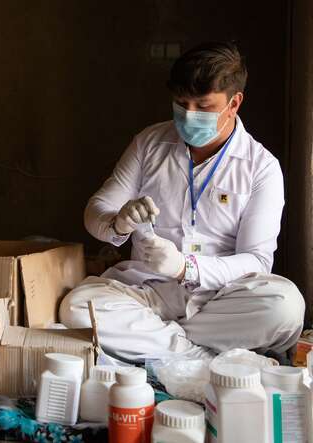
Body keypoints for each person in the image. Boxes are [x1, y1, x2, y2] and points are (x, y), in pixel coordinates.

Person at [59, 41, 305, 362]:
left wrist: (184, 267)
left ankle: (157, 342)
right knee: (77, 307)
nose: (189, 116)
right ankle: (196, 355)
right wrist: (118, 221)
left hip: (220, 301)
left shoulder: (261, 167)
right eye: (181, 103)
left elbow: (257, 261)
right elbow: (94, 212)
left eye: (203, 106)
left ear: (234, 104)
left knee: (285, 308)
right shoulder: (149, 143)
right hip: (147, 293)